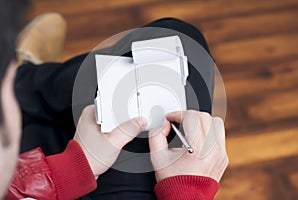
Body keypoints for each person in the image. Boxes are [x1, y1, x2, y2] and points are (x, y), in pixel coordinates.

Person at [0, 1, 228, 199]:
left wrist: (72, 169)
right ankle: (25, 82)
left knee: (170, 43)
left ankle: (22, 85)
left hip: (33, 177)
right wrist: (187, 192)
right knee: (177, 37)